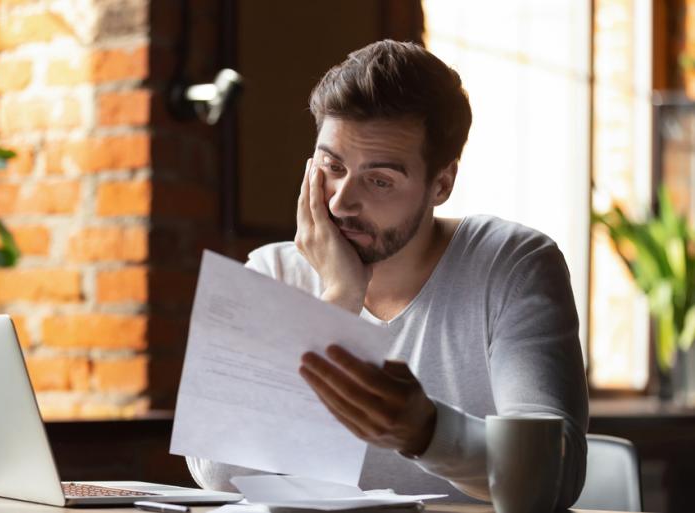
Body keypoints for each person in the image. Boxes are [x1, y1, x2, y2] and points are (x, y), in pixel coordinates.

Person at [187, 39, 588, 508]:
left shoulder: (513, 263)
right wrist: (337, 300)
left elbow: (552, 475)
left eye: (379, 180)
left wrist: (427, 433)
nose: (339, 201)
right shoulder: (272, 270)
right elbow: (218, 473)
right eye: (332, 166)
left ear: (441, 184)